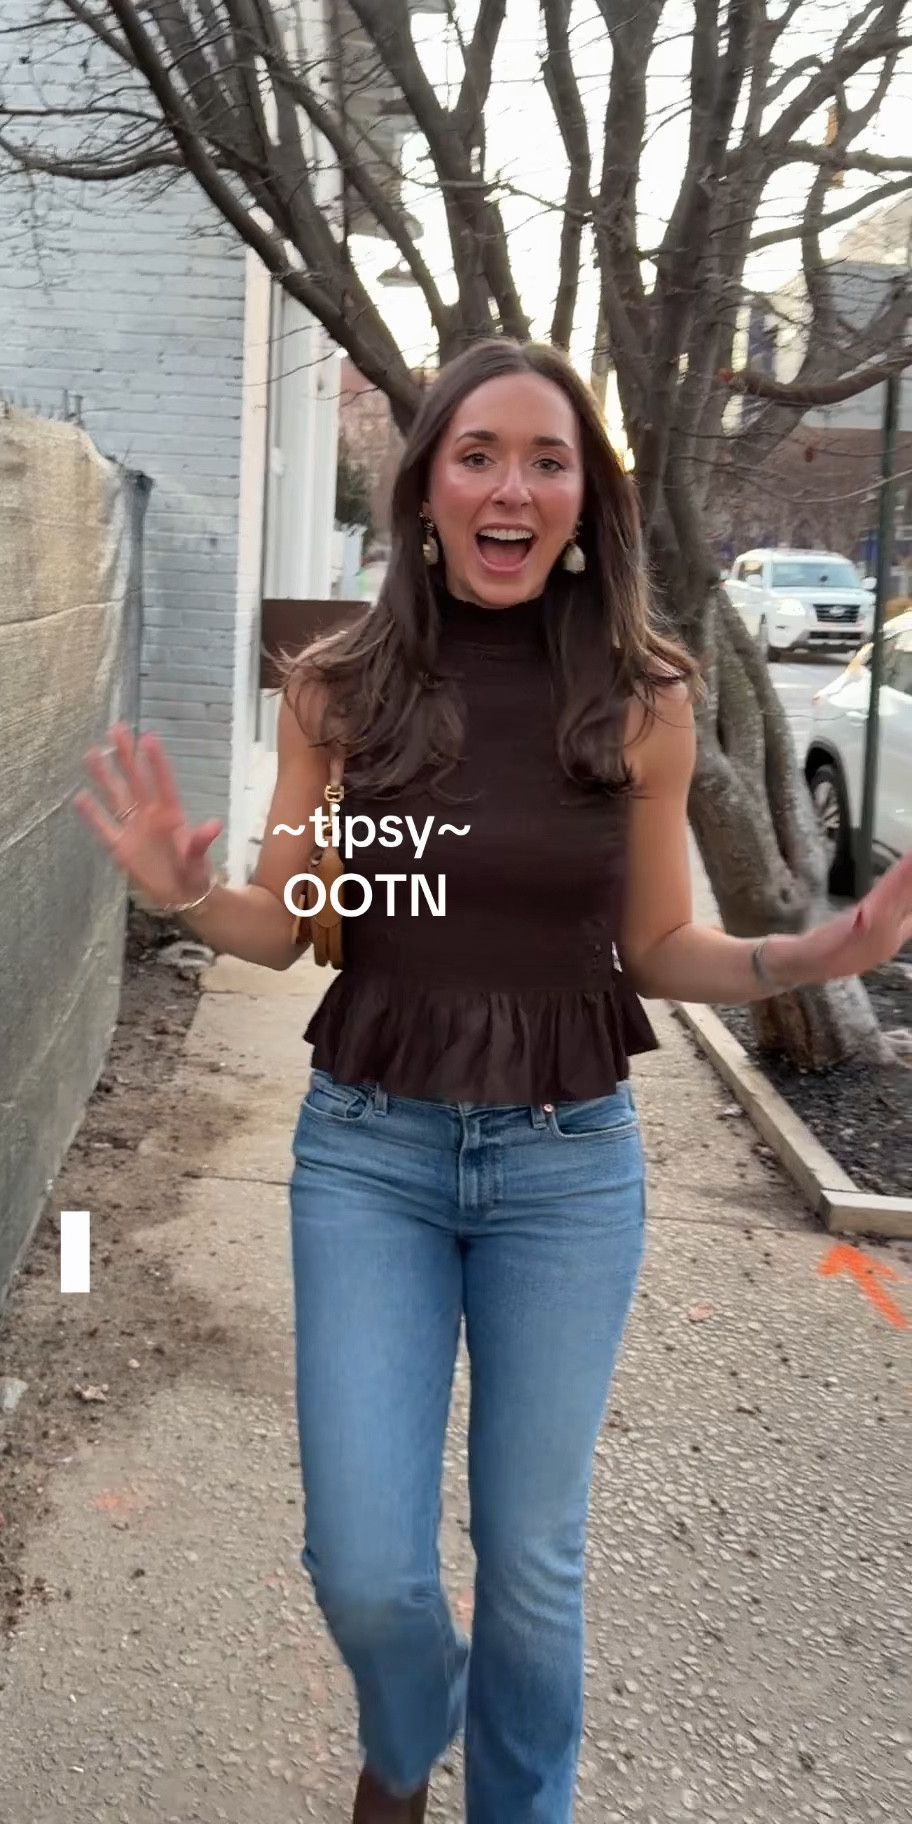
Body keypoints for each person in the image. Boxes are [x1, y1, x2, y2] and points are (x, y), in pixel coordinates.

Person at [74, 340, 912, 1824]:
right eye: (478, 456)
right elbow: (286, 925)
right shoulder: (336, 691)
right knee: (366, 1562)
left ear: (586, 499)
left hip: (565, 1168)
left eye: (546, 458)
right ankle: (404, 1740)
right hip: (369, 1159)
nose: (511, 485)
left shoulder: (643, 700)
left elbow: (659, 948)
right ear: (425, 492)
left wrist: (816, 949)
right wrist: (179, 895)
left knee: (532, 1562)